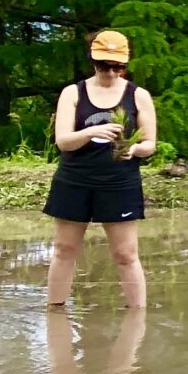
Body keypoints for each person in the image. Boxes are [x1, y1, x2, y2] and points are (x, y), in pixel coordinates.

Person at [44, 29, 158, 308]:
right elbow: (63, 142)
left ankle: (136, 319)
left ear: (125, 64)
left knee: (126, 254)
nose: (110, 72)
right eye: (104, 65)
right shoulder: (73, 93)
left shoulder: (138, 96)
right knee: (64, 249)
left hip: (120, 181)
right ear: (93, 62)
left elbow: (150, 143)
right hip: (75, 178)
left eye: (117, 66)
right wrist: (92, 131)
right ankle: (55, 314)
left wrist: (134, 149)